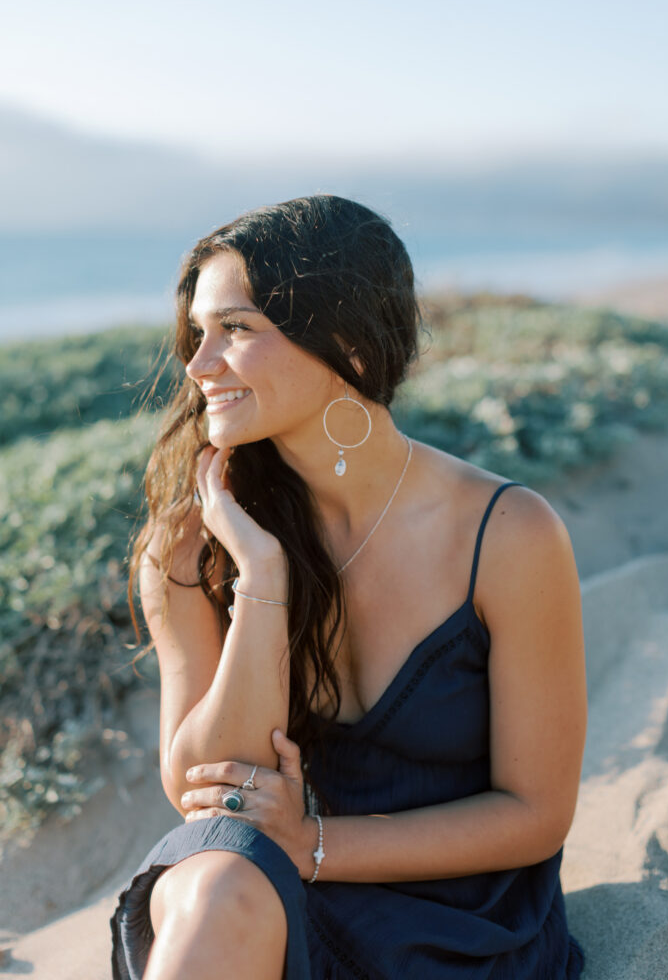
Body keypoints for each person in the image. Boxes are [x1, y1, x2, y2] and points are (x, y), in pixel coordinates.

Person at [110, 195, 587, 979]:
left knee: (235, 875)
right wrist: (261, 584)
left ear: (349, 345)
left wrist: (316, 844)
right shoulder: (195, 545)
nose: (198, 367)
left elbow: (535, 814)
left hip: (456, 919)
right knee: (219, 879)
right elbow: (206, 788)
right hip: (259, 896)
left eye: (236, 329)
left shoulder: (506, 534)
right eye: (198, 334)